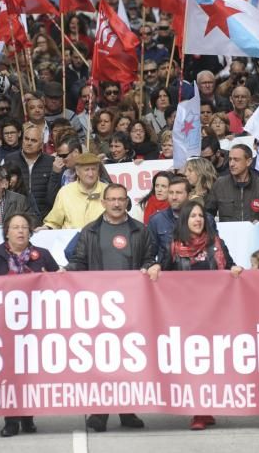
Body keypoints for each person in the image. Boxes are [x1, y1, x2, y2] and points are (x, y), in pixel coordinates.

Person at [67, 183, 158, 432]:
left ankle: (128, 411)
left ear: (127, 201)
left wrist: (151, 266)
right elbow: (79, 261)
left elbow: (150, 258)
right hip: (99, 306)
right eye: (112, 199)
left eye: (121, 199)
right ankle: (99, 411)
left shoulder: (140, 230)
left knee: (128, 360)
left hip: (132, 306)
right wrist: (64, 272)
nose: (116, 203)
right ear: (103, 202)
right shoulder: (91, 231)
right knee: (103, 361)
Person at [157, 199, 242, 430]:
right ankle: (198, 412)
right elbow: (162, 275)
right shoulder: (172, 247)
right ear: (184, 221)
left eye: (200, 216)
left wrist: (234, 269)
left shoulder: (216, 243)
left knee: (213, 363)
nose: (197, 220)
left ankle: (207, 408)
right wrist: (154, 268)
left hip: (215, 314)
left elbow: (230, 266)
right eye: (192, 216)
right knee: (194, 364)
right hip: (186, 316)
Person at [0, 212, 59, 437]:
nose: (21, 231)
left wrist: (54, 277)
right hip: (4, 324)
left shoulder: (42, 255)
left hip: (35, 323)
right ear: (6, 232)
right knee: (9, 373)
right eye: (15, 227)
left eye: (24, 227)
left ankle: (28, 416)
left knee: (30, 372)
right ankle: (11, 420)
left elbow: (59, 285)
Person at [207, 144, 259, 222]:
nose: (231, 164)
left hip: (254, 233)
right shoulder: (220, 184)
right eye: (230, 159)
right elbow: (208, 213)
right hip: (229, 233)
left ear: (248, 162)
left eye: (236, 160)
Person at [39, 153, 107, 230]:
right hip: (72, 240)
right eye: (87, 170)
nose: (91, 174)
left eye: (94, 169)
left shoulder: (108, 191)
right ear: (77, 172)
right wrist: (45, 228)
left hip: (100, 240)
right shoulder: (65, 192)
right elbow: (54, 222)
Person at [4, 124, 55, 221]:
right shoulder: (10, 159)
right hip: (15, 214)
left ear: (41, 144)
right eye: (26, 139)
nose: (29, 143)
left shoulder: (51, 162)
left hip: (44, 217)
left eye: (34, 140)